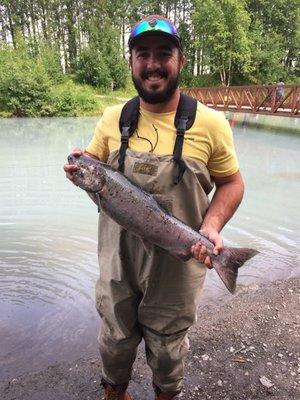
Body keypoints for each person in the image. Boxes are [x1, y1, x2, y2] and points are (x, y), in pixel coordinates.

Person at [64, 15, 244, 400]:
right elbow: (94, 174)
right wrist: (78, 170)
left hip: (178, 262)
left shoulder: (211, 124)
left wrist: (211, 226)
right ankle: (115, 393)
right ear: (131, 62)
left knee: (168, 350)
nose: (152, 63)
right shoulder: (113, 119)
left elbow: (232, 183)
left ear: (180, 60)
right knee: (114, 338)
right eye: (142, 53)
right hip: (118, 262)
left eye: (164, 53)